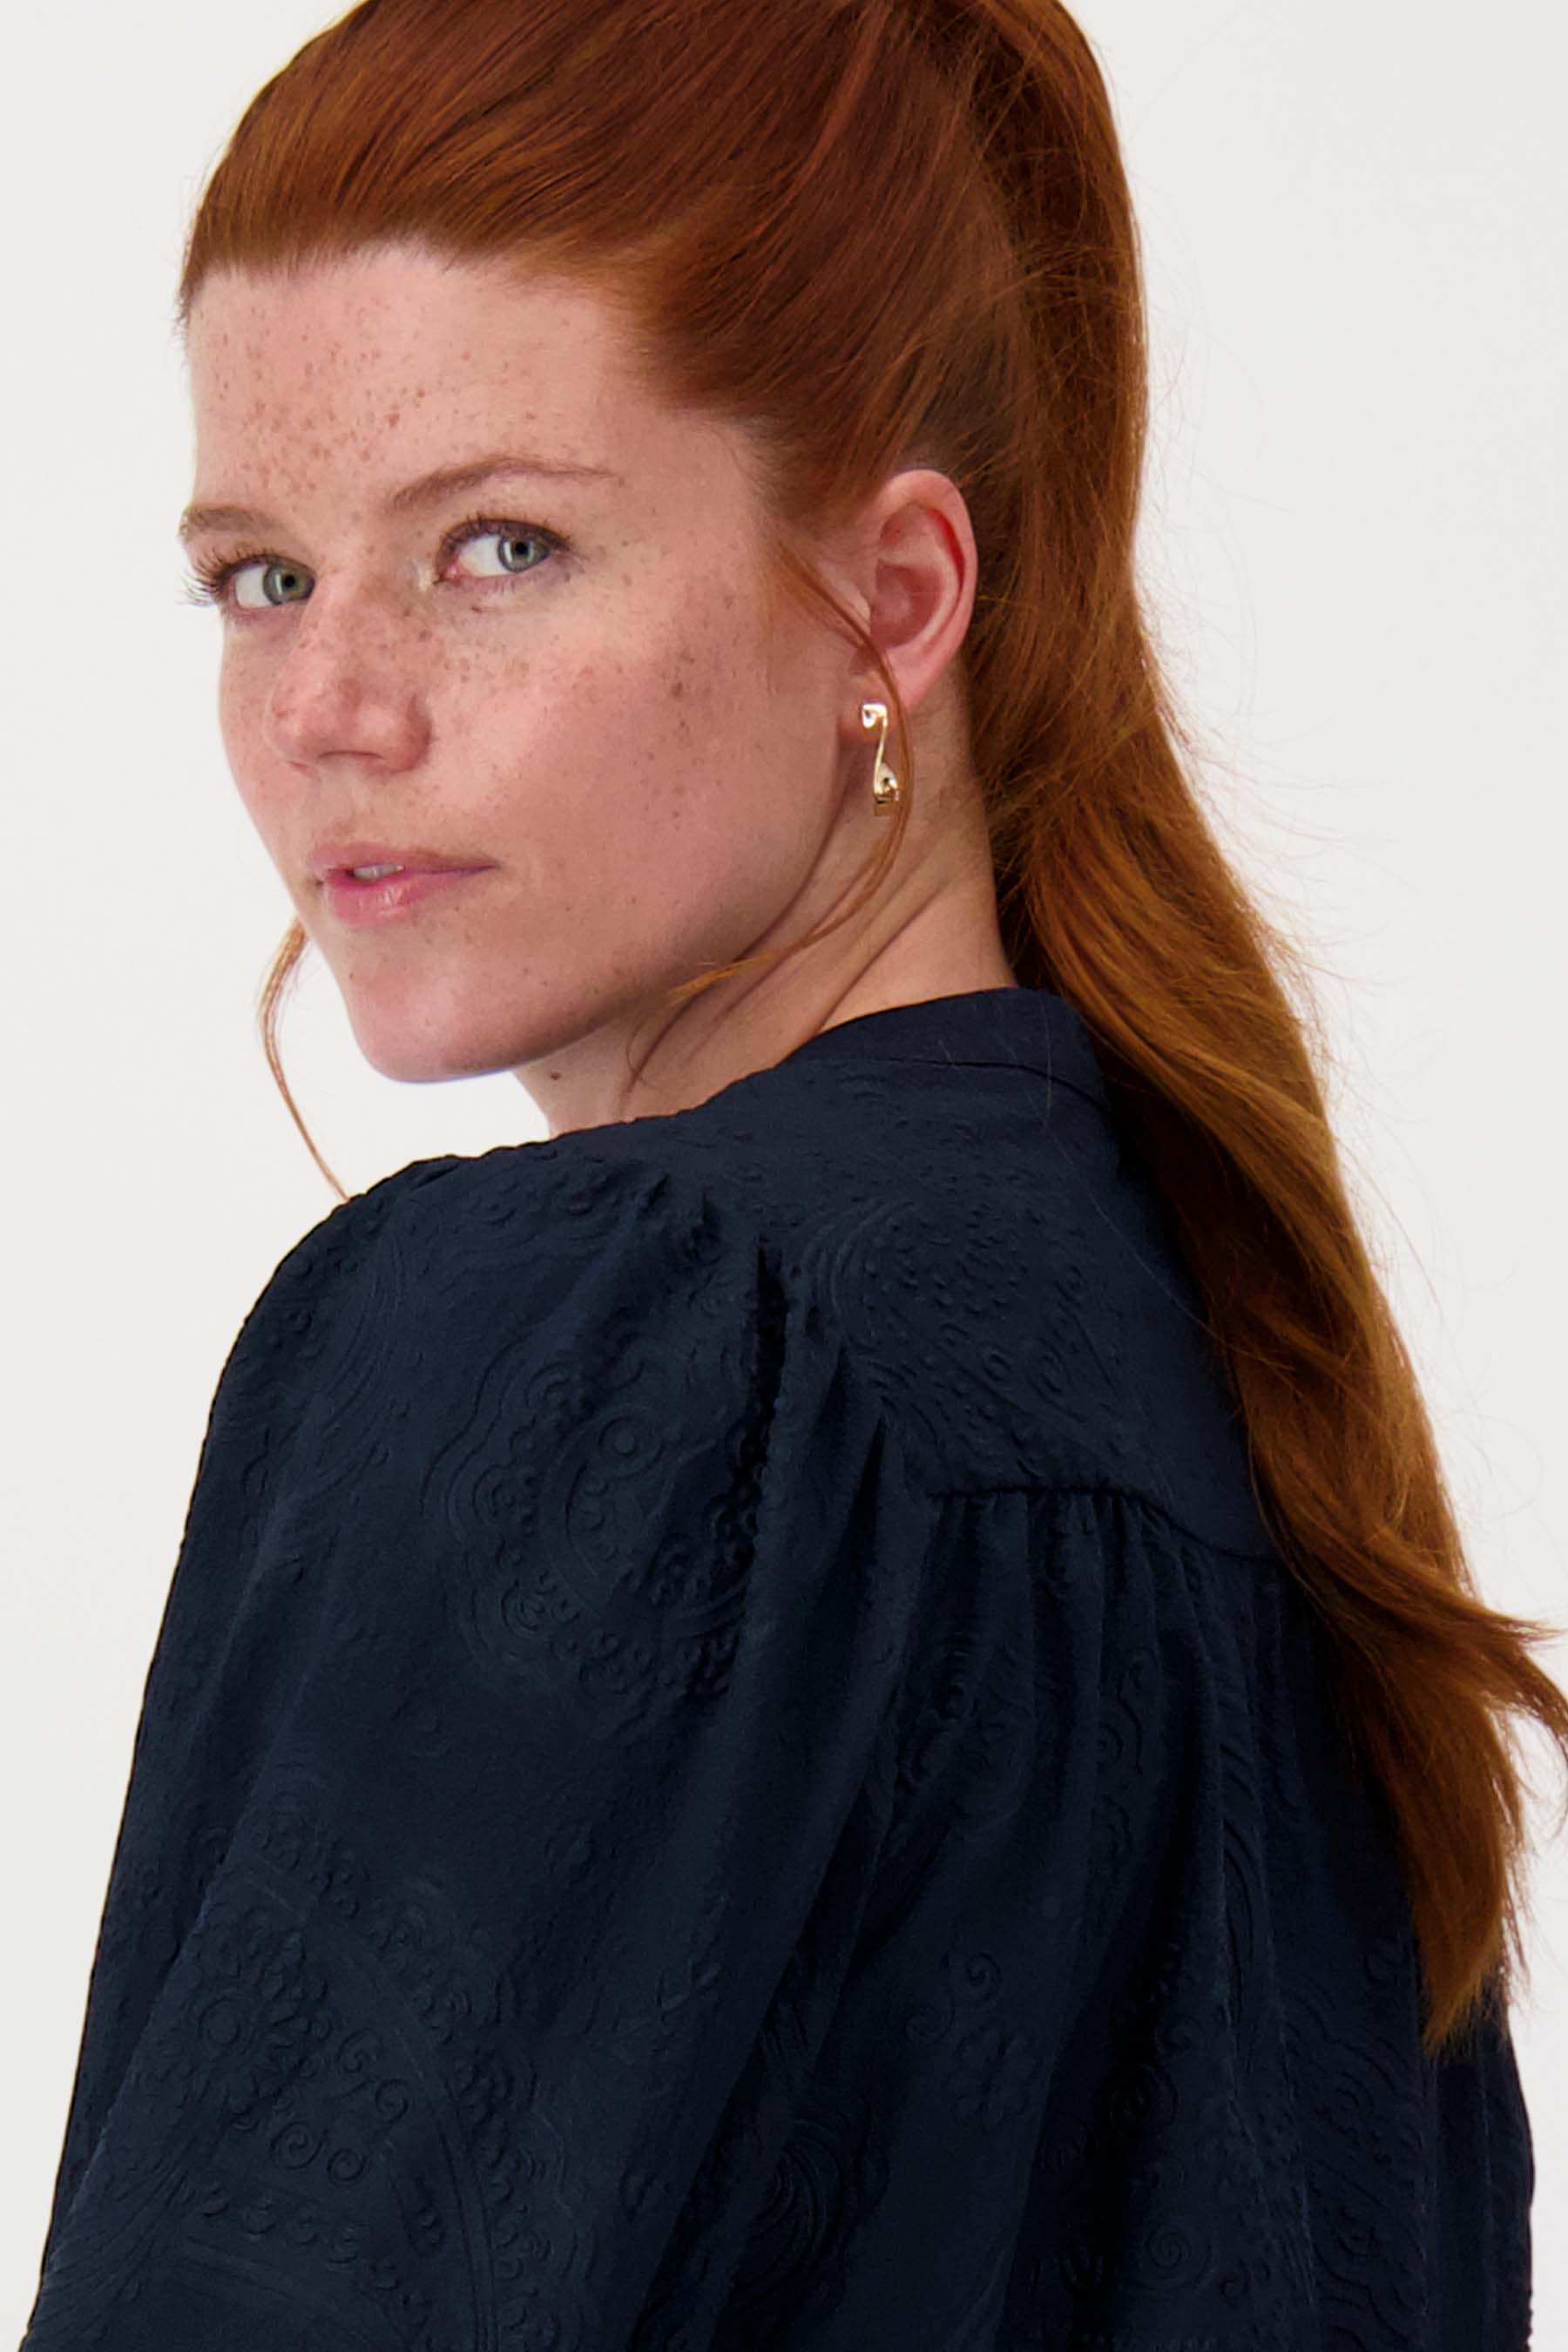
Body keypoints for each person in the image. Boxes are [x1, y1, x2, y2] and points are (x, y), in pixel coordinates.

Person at [19, 2, 1566, 2345]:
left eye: (498, 546)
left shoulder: (624, 1339)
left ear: (892, 599)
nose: (328, 707)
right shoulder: (1277, 1469)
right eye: (259, 576)